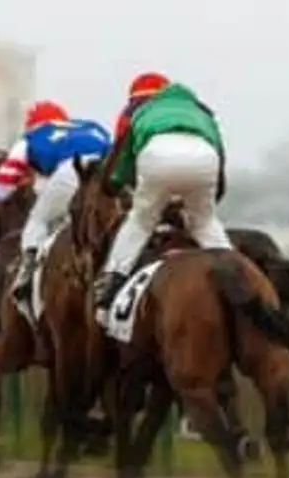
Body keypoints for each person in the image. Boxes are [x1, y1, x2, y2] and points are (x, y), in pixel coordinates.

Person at [92, 79, 230, 312]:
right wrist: (203, 203)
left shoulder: (143, 111)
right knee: (205, 224)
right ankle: (232, 268)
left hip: (157, 156)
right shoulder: (203, 113)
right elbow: (220, 162)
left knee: (141, 222)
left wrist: (118, 184)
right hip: (205, 158)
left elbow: (123, 168)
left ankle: (113, 280)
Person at [0, 100, 112, 305]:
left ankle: (27, 272)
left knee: (38, 220)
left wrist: (10, 185)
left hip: (70, 172)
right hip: (104, 172)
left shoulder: (31, 138)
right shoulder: (91, 127)